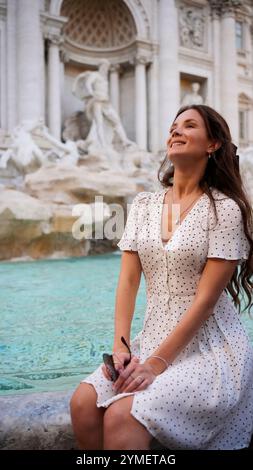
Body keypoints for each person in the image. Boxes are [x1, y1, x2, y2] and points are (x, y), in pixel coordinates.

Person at [70, 104, 253, 450]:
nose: (176, 131)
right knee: (82, 403)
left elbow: (206, 300)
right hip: (151, 339)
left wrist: (155, 365)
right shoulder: (143, 205)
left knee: (123, 414)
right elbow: (128, 282)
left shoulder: (225, 208)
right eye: (173, 126)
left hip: (209, 350)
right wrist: (121, 346)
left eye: (189, 126)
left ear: (212, 144)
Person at [72, 59, 133, 152]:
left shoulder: (104, 78)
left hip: (105, 101)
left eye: (107, 67)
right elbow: (88, 83)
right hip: (96, 101)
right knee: (98, 123)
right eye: (105, 66)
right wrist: (91, 94)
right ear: (101, 66)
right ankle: (102, 144)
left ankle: (124, 140)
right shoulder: (95, 75)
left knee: (116, 120)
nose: (106, 69)